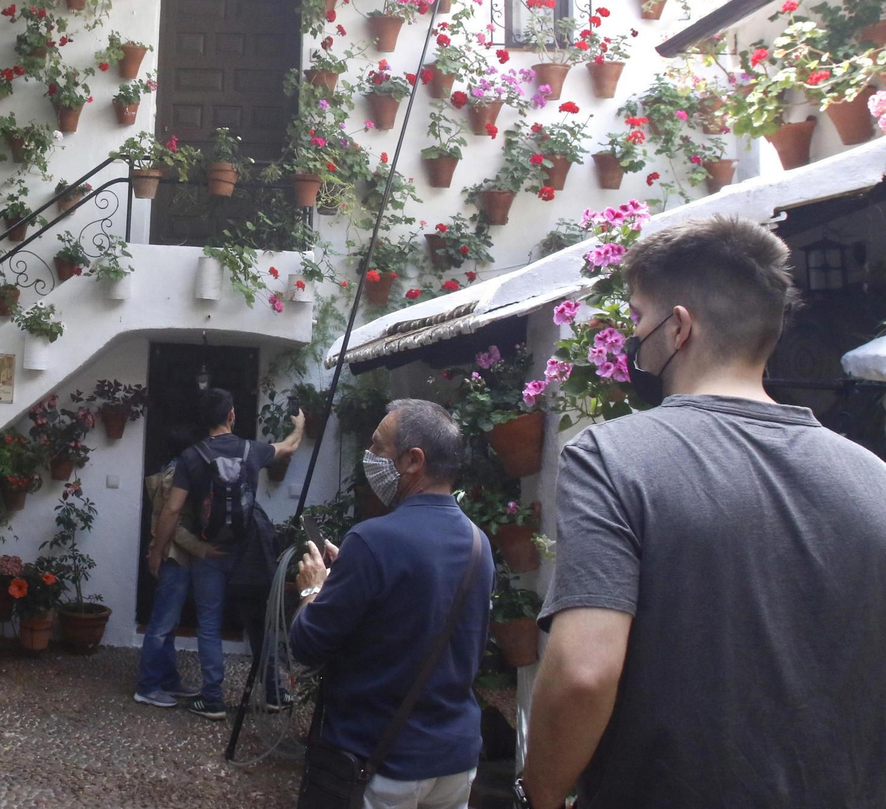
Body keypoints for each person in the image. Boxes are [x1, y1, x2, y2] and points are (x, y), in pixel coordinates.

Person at [518, 215, 886, 809]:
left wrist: (539, 794)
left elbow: (584, 674)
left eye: (638, 317)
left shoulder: (614, 458)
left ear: (678, 327)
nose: (635, 337)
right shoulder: (875, 478)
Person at [291, 399, 491, 809]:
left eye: (378, 448)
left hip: (381, 764)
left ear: (413, 460)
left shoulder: (373, 540)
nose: (369, 458)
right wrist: (352, 577)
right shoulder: (477, 542)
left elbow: (307, 646)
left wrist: (314, 590)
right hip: (454, 762)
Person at [146, 387, 305, 720]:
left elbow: (172, 510)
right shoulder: (252, 450)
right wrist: (300, 424)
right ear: (232, 415)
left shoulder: (192, 457)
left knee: (209, 625)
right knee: (261, 622)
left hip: (210, 554)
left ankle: (214, 700)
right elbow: (290, 446)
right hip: (249, 554)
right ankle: (274, 693)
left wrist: (157, 552)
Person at [134, 426, 218, 707]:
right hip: (174, 556)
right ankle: (147, 687)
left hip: (175, 556)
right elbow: (173, 526)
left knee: (169, 624)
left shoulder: (172, 471)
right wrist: (202, 549)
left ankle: (168, 680)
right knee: (160, 625)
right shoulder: (174, 478)